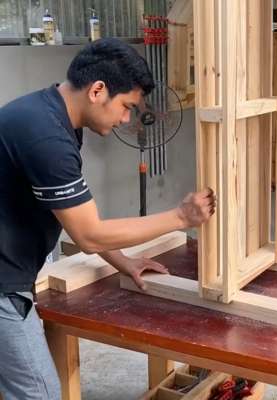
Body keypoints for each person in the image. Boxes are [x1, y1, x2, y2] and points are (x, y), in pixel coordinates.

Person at [0, 38, 216, 400]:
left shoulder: (49, 114)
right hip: (4, 282)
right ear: (98, 90)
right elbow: (88, 235)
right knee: (40, 394)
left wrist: (123, 261)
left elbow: (77, 217)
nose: (127, 119)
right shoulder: (46, 137)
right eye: (127, 106)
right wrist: (181, 216)